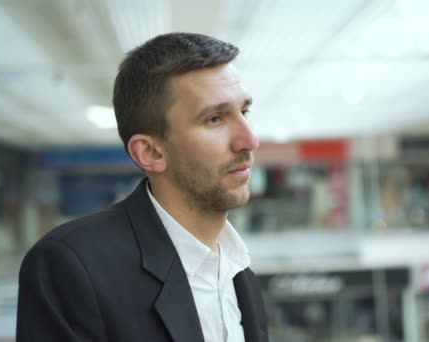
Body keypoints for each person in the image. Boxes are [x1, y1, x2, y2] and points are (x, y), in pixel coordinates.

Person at [16, 32, 268, 342]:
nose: (249, 140)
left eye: (244, 112)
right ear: (150, 152)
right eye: (215, 119)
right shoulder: (72, 268)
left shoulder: (239, 272)